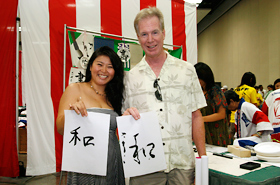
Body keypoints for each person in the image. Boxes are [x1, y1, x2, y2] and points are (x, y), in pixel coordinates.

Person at [123, 7, 207, 185]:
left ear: (164, 33)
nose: (150, 39)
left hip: (182, 165)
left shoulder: (187, 70)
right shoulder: (130, 77)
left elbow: (196, 116)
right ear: (138, 38)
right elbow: (123, 124)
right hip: (145, 168)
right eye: (144, 34)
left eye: (155, 32)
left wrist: (203, 161)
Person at [56, 46, 139, 185]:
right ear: (90, 66)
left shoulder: (115, 97)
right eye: (99, 64)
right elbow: (60, 128)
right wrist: (71, 115)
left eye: (110, 66)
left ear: (115, 72)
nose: (104, 70)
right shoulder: (75, 89)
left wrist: (126, 120)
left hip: (112, 162)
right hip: (85, 164)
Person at [194, 62, 230, 146]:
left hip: (217, 134)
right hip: (204, 133)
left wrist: (201, 119)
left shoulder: (215, 91)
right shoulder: (198, 92)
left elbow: (221, 114)